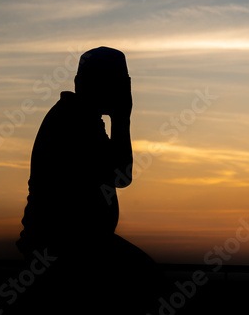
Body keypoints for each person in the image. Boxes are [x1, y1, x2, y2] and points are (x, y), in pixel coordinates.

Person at [15, 47, 165, 314]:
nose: (125, 90)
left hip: (76, 246)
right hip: (67, 250)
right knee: (148, 281)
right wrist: (123, 117)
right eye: (121, 82)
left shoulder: (82, 118)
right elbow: (122, 175)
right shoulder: (74, 121)